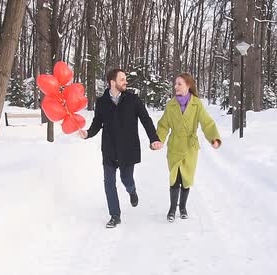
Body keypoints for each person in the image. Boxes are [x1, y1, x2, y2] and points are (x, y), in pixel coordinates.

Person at [79, 68, 162, 228]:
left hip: (128, 149)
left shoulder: (133, 99)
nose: (126, 82)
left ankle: (132, 190)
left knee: (126, 179)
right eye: (122, 79)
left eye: (125, 79)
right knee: (109, 182)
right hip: (109, 149)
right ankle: (115, 215)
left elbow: (146, 120)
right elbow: (97, 123)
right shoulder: (102, 102)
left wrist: (154, 139)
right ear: (112, 82)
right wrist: (88, 133)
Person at [156, 73, 221, 222]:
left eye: (179, 83)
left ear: (188, 85)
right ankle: (172, 209)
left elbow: (207, 123)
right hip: (175, 146)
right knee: (175, 178)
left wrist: (213, 138)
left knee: (186, 178)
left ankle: (183, 207)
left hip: (190, 147)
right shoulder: (171, 104)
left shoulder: (196, 104)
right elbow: (163, 125)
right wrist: (158, 140)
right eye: (175, 83)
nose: (176, 86)